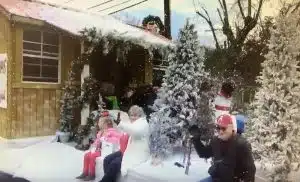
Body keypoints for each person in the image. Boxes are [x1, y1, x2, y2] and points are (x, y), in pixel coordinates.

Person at [190, 114, 256, 182]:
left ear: (231, 128)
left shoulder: (241, 144)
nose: (220, 131)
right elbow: (203, 153)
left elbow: (250, 170)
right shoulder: (215, 141)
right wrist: (196, 139)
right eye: (218, 128)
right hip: (216, 178)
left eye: (224, 128)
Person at [99, 105, 150, 182]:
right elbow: (127, 131)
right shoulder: (134, 124)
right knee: (107, 159)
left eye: (135, 115)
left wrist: (121, 124)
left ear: (140, 116)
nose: (133, 117)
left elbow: (135, 131)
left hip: (136, 153)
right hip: (127, 150)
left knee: (114, 164)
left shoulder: (143, 124)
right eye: (131, 115)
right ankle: (110, 179)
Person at [76, 112, 125, 181]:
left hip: (104, 150)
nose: (99, 125)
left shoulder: (112, 131)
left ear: (106, 124)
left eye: (101, 123)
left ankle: (91, 174)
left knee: (92, 156)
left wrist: (107, 139)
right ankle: (85, 172)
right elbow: (97, 141)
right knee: (87, 155)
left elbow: (118, 138)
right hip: (97, 149)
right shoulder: (100, 132)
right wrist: (94, 146)